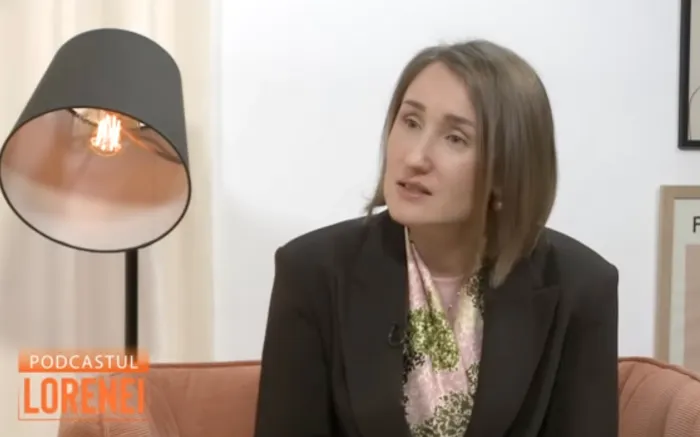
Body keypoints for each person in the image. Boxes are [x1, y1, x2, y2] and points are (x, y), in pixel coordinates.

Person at [253, 39, 618, 437]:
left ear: (508, 168)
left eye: (455, 138)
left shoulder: (581, 286)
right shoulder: (312, 272)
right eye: (411, 122)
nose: (415, 157)